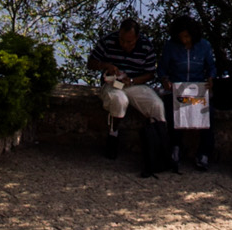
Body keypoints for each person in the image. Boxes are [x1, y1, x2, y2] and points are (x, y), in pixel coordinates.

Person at [88, 17, 164, 150]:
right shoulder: (108, 41)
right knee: (119, 100)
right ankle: (113, 134)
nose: (124, 44)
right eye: (122, 40)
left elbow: (150, 73)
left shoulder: (146, 46)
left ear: (137, 38)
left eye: (129, 42)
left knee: (156, 105)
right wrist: (106, 66)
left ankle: (157, 141)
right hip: (113, 84)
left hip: (135, 83)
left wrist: (133, 81)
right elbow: (91, 63)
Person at [157, 16, 216, 172]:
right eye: (181, 37)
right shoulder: (170, 47)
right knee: (172, 112)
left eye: (187, 36)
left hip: (197, 89)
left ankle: (203, 153)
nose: (185, 40)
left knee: (209, 114)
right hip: (177, 88)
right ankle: (175, 147)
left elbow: (211, 67)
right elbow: (162, 69)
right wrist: (165, 80)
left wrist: (211, 79)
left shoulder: (204, 46)